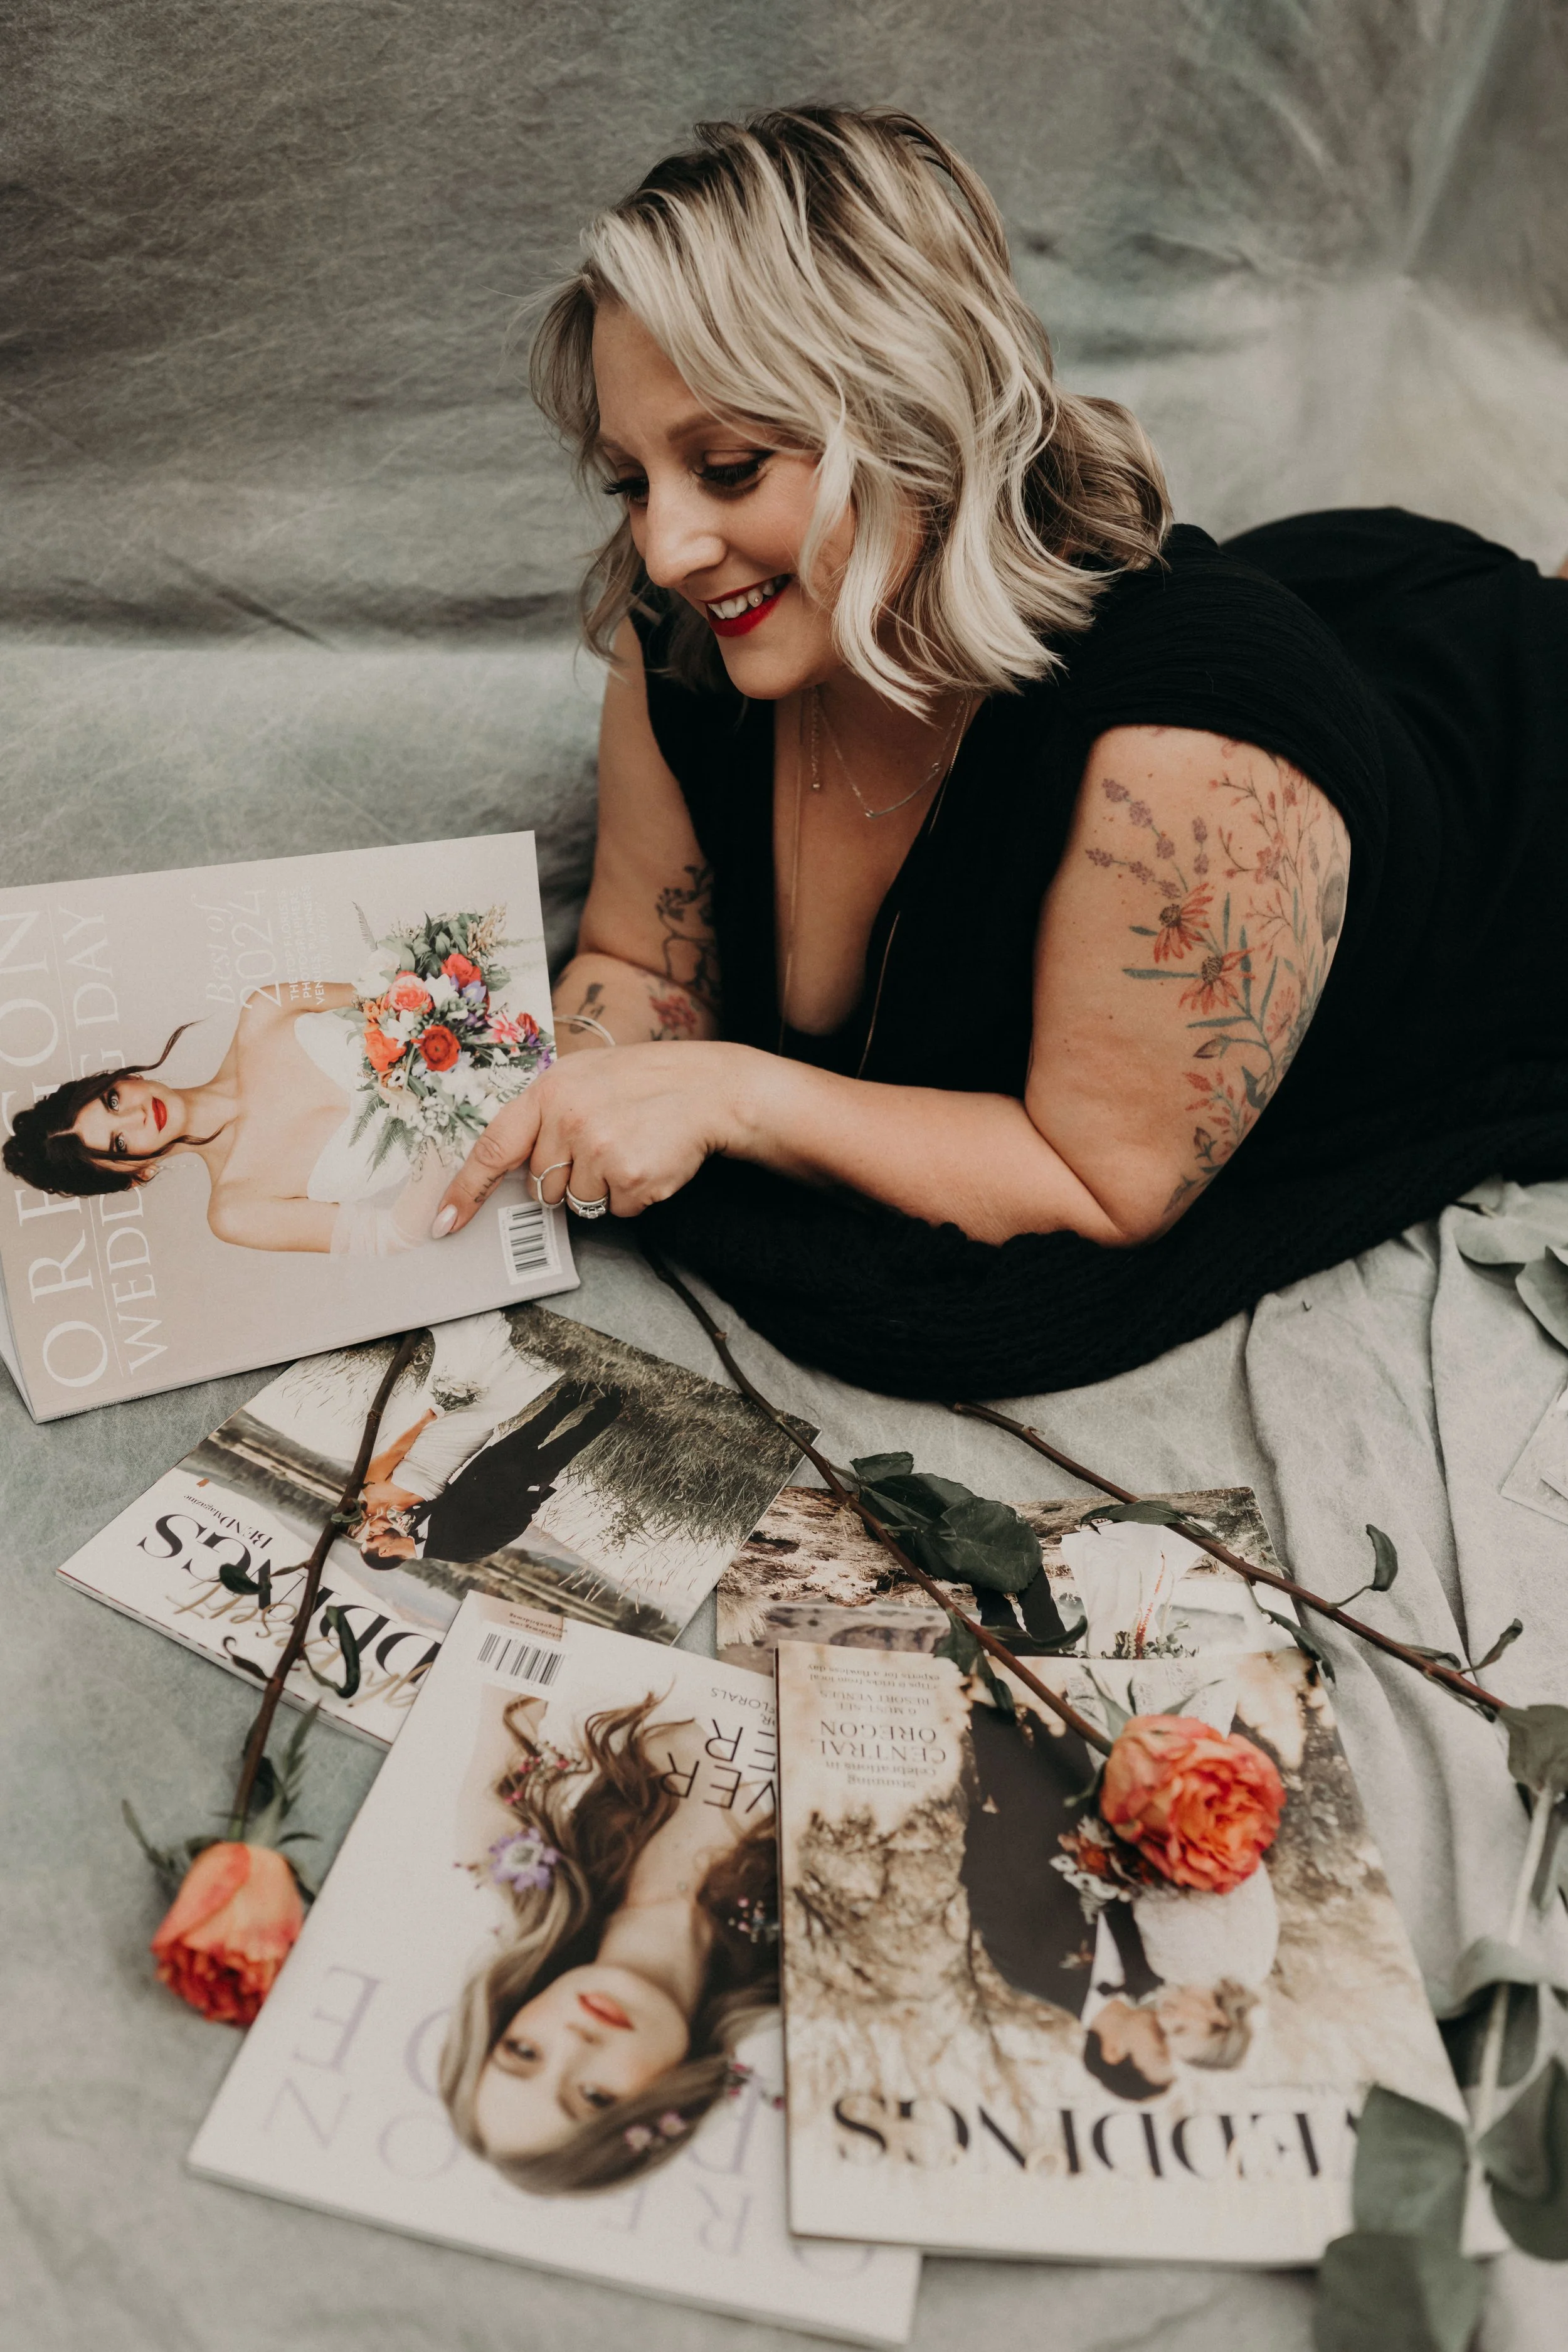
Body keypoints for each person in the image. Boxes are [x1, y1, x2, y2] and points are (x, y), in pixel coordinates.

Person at [426, 103, 1568, 1400]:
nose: (665, 547)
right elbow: (638, 957)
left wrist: (732, 1098)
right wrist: (572, 1084)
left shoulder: (1187, 760)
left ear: (910, 421)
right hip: (1345, 619)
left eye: (729, 468)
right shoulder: (692, 641)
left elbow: (1098, 1182)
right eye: (634, 479)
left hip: (1514, 776)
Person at [441, 1692, 777, 2195]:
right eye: (595, 2095)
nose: (576, 2043)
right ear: (666, 2106)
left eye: (525, 2050)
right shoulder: (820, 1956)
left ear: (504, 2017)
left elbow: (527, 1622)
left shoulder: (508, 1845)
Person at [1, 995, 452, 1254]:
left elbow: (410, 989)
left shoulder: (265, 1010)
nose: (136, 1116)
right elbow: (395, 1234)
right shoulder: (236, 1211)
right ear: (135, 1175)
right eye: (119, 1144)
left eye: (112, 1100)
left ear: (125, 1079)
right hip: (488, 1151)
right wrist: (453, 1126)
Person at [355, 1376, 622, 1568]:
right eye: (373, 1541)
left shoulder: (410, 1522)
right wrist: (530, 1492)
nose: (374, 1534)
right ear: (386, 1552)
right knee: (574, 1440)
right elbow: (509, 1529)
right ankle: (615, 1399)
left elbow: (441, 1494)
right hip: (524, 1482)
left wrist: (399, 1511)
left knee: (540, 1423)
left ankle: (581, 1386)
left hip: (492, 1463)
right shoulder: (458, 1553)